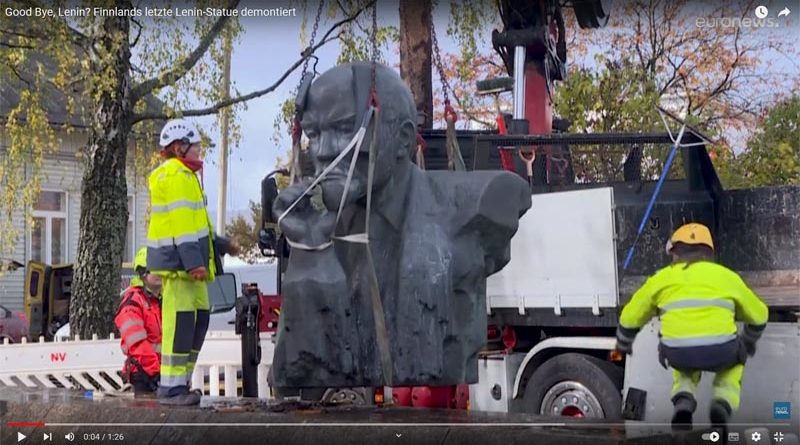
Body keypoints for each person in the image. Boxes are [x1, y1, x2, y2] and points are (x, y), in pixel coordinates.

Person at [270, 62, 531, 389]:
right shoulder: (324, 226)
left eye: (344, 129)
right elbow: (303, 368)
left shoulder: (479, 205)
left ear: (403, 138)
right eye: (313, 134)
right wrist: (312, 249)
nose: (322, 152)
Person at [615, 223, 768, 429]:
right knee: (733, 365)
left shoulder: (661, 278)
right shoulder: (726, 276)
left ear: (676, 253)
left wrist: (624, 343)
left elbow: (630, 316)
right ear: (709, 252)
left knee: (684, 368)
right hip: (721, 351)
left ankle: (683, 404)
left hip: (677, 353)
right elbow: (759, 315)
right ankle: (722, 404)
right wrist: (748, 342)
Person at [147, 118, 238, 405]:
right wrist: (192, 263)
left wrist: (220, 245)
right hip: (181, 270)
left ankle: (181, 383)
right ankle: (170, 387)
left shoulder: (187, 177)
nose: (200, 151)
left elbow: (199, 226)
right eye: (196, 146)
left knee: (198, 322)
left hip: (191, 269)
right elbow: (182, 226)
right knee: (182, 324)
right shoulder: (174, 176)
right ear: (178, 147)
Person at [115, 248, 162, 398]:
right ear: (143, 274)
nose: (161, 273)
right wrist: (155, 371)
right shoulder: (133, 302)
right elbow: (136, 343)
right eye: (155, 269)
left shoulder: (161, 301)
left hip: (160, 374)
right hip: (142, 376)